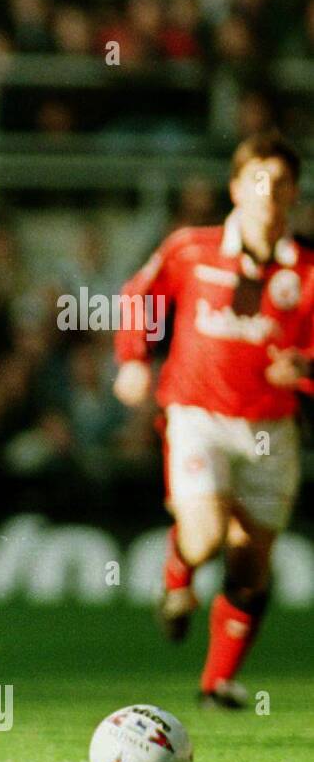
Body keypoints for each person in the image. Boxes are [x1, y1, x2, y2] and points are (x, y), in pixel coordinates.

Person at [113, 130, 312, 709]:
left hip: (271, 431)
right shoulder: (190, 250)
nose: (268, 193)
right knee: (203, 533)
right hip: (197, 415)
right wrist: (132, 359)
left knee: (251, 567)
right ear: (235, 188)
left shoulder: (307, 269)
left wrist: (304, 367)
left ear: (295, 194)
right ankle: (178, 575)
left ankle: (216, 682)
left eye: (280, 183)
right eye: (258, 180)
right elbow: (140, 296)